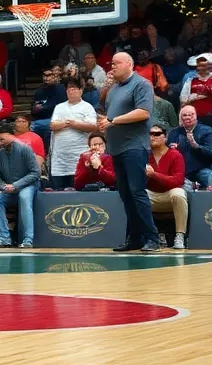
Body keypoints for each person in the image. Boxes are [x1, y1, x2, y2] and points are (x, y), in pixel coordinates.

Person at [100, 51, 160, 252]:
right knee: (126, 194)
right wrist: (106, 122)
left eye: (116, 63)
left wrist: (112, 121)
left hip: (134, 146)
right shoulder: (114, 88)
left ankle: (153, 238)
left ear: (128, 64)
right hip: (116, 148)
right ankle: (135, 238)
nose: (112, 67)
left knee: (137, 191)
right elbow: (108, 114)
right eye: (111, 63)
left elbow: (143, 113)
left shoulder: (141, 84)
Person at [0, 123, 40, 247]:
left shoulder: (25, 149)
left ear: (11, 135)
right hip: (9, 188)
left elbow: (36, 172)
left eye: (2, 139)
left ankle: (28, 239)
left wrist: (16, 185)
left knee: (24, 197)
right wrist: (3, 187)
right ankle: (4, 237)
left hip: (28, 185)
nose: (0, 142)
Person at [49, 78, 99, 190]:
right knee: (58, 191)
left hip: (79, 155)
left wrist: (73, 123)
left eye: (74, 89)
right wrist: (69, 123)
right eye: (68, 89)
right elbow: (52, 126)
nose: (71, 91)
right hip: (60, 158)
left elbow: (92, 126)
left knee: (78, 190)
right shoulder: (59, 107)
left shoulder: (87, 107)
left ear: (81, 90)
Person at [146, 124, 187, 249]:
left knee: (178, 193)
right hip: (150, 196)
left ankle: (180, 235)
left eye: (157, 134)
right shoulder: (143, 155)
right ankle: (148, 236)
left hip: (169, 195)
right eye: (150, 134)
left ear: (166, 137)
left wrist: (154, 175)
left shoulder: (175, 155)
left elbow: (177, 181)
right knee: (136, 194)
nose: (153, 137)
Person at [168, 105, 212, 188]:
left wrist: (195, 145)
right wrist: (173, 150)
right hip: (180, 171)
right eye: (184, 115)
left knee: (209, 177)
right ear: (180, 118)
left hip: (201, 168)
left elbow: (210, 152)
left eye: (191, 115)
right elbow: (166, 153)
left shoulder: (207, 130)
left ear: (196, 116)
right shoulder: (173, 133)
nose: (188, 117)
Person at [180, 53, 212, 127]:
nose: (201, 68)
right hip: (195, 116)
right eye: (199, 66)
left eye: (204, 66)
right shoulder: (190, 80)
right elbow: (183, 99)